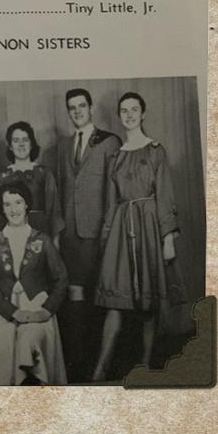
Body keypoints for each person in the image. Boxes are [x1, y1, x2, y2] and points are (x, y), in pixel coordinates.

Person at [90, 92, 181, 380]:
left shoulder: (156, 151)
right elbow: (110, 202)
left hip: (150, 228)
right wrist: (106, 241)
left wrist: (167, 238)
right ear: (119, 116)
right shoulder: (115, 157)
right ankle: (100, 370)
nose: (129, 115)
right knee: (116, 302)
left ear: (143, 114)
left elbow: (165, 195)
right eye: (124, 111)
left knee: (149, 302)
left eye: (134, 110)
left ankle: (144, 365)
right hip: (120, 229)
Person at [55, 87, 120, 378]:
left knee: (101, 295)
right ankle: (78, 365)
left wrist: (108, 230)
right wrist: (58, 230)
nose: (77, 111)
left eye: (82, 106)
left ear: (91, 108)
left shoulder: (109, 142)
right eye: (72, 107)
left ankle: (101, 364)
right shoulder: (63, 146)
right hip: (71, 234)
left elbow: (112, 191)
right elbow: (58, 191)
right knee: (74, 295)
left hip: (98, 232)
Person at [0, 182, 69, 385]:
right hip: (7, 311)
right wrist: (12, 312)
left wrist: (47, 310)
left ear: (27, 204)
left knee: (30, 343)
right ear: (1, 209)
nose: (14, 209)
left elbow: (61, 278)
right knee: (7, 350)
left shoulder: (42, 239)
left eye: (18, 202)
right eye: (7, 204)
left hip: (37, 307)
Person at [0, 122, 58, 237]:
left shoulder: (44, 174)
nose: (21, 144)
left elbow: (54, 212)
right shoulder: (1, 178)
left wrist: (55, 243)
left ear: (32, 144)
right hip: (10, 236)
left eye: (25, 140)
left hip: (40, 234)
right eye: (16, 141)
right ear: (10, 146)